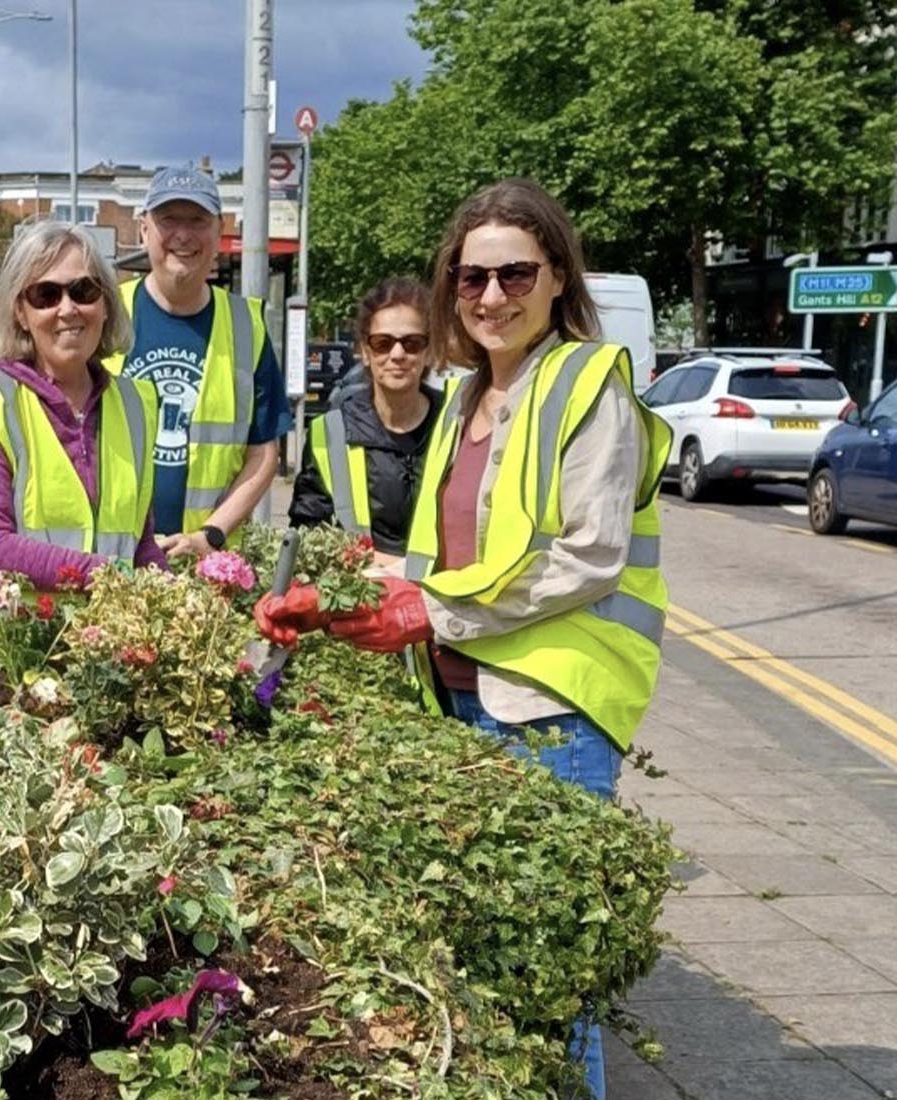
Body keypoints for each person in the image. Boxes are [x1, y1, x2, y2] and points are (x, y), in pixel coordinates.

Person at [255, 178, 672, 1099]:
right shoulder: (467, 401)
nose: (490, 296)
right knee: (486, 985)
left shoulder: (586, 386)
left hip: (552, 722)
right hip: (462, 706)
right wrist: (331, 600)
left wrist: (429, 615)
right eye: (469, 276)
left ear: (559, 275)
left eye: (514, 273)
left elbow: (588, 557)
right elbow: (437, 563)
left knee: (551, 989)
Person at [0, 220, 167, 641]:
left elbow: (138, 545)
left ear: (105, 304)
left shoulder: (134, 406)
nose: (67, 309)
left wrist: (171, 596)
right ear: (20, 312)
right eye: (46, 295)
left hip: (91, 656)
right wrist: (109, 576)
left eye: (84, 291)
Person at [104, 165, 289, 558]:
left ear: (219, 232)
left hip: (208, 564)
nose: (183, 235)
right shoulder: (105, 314)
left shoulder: (246, 326)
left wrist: (210, 536)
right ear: (144, 230)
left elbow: (263, 452)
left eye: (198, 221)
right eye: (169, 219)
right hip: (112, 556)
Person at [289, 277, 442, 559]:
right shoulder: (331, 433)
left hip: (440, 600)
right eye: (383, 343)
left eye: (412, 343)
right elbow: (308, 535)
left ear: (429, 352)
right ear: (366, 352)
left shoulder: (459, 423)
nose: (398, 354)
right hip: (362, 596)